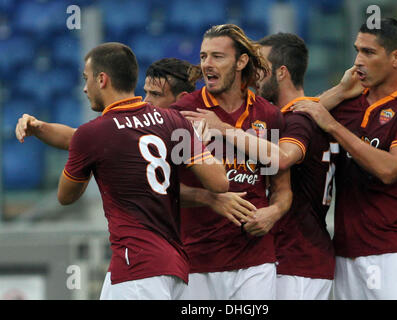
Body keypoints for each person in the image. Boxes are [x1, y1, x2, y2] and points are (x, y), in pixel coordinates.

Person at [51, 42, 232, 299]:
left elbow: (65, 196)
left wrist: (88, 160)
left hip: (137, 266)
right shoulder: (172, 120)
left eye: (86, 78)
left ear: (102, 79)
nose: (84, 87)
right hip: (173, 267)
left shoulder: (91, 134)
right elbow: (220, 182)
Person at [293, 18, 397, 299]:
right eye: (357, 50)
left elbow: (389, 169)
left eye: (369, 52)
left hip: (394, 253)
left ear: (396, 57)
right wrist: (339, 91)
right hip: (345, 253)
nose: (358, 61)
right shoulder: (346, 104)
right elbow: (295, 125)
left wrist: (334, 126)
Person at [172, 24, 292, 300]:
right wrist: (209, 198)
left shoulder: (268, 115)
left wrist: (272, 214)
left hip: (255, 260)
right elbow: (164, 189)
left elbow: (283, 190)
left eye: (217, 56)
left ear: (241, 61)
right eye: (203, 57)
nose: (207, 64)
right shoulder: (183, 114)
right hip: (196, 261)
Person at [254, 32, 337, 300]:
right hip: (296, 256)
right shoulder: (305, 113)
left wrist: (226, 132)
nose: (254, 76)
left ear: (281, 73)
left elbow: (284, 157)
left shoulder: (297, 121)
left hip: (299, 260)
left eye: (261, 68)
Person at [15, 57, 202, 150]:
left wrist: (209, 198)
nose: (147, 101)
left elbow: (220, 183)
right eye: (146, 92)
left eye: (155, 94)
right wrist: (39, 127)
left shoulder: (205, 132)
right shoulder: (145, 127)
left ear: (182, 98)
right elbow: (76, 138)